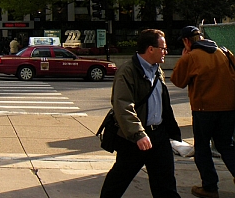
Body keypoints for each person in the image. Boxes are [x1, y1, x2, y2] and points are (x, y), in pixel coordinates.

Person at [100, 29, 181, 198]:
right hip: (135, 139)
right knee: (117, 182)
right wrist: (138, 134)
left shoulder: (158, 70)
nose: (166, 52)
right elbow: (123, 105)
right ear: (150, 49)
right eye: (163, 48)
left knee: (166, 186)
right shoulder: (128, 71)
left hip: (159, 135)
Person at [170, 26, 235, 198]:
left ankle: (210, 186)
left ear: (186, 41)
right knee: (226, 145)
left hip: (204, 110)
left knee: (202, 148)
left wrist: (183, 59)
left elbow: (177, 81)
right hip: (228, 108)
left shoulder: (191, 57)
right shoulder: (224, 52)